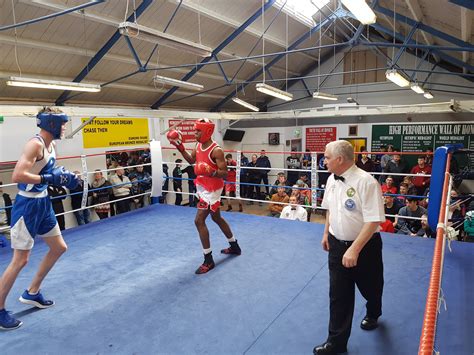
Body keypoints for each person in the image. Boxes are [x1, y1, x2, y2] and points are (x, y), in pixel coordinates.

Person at [0, 107, 78, 330]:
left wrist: (64, 177)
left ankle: (32, 292)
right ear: (51, 124)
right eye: (62, 123)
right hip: (27, 206)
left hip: (43, 202)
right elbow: (17, 175)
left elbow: (48, 172)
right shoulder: (34, 144)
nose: (64, 127)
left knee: (59, 247)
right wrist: (48, 177)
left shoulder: (52, 144)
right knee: (20, 260)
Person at [314, 140, 385, 355]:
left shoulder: (367, 182)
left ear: (339, 159)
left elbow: (374, 220)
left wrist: (354, 249)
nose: (323, 160)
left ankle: (373, 312)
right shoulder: (331, 179)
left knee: (371, 287)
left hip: (365, 247)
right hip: (337, 245)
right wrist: (326, 232)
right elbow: (330, 210)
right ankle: (336, 342)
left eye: (326, 157)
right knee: (338, 295)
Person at [167, 119, 241, 274]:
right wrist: (180, 147)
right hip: (202, 186)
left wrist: (211, 171)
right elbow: (191, 160)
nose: (195, 133)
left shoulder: (216, 150)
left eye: (198, 131)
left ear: (207, 131)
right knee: (216, 218)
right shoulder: (198, 145)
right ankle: (234, 245)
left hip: (212, 189)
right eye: (195, 130)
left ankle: (208, 260)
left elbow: (225, 173)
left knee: (199, 220)